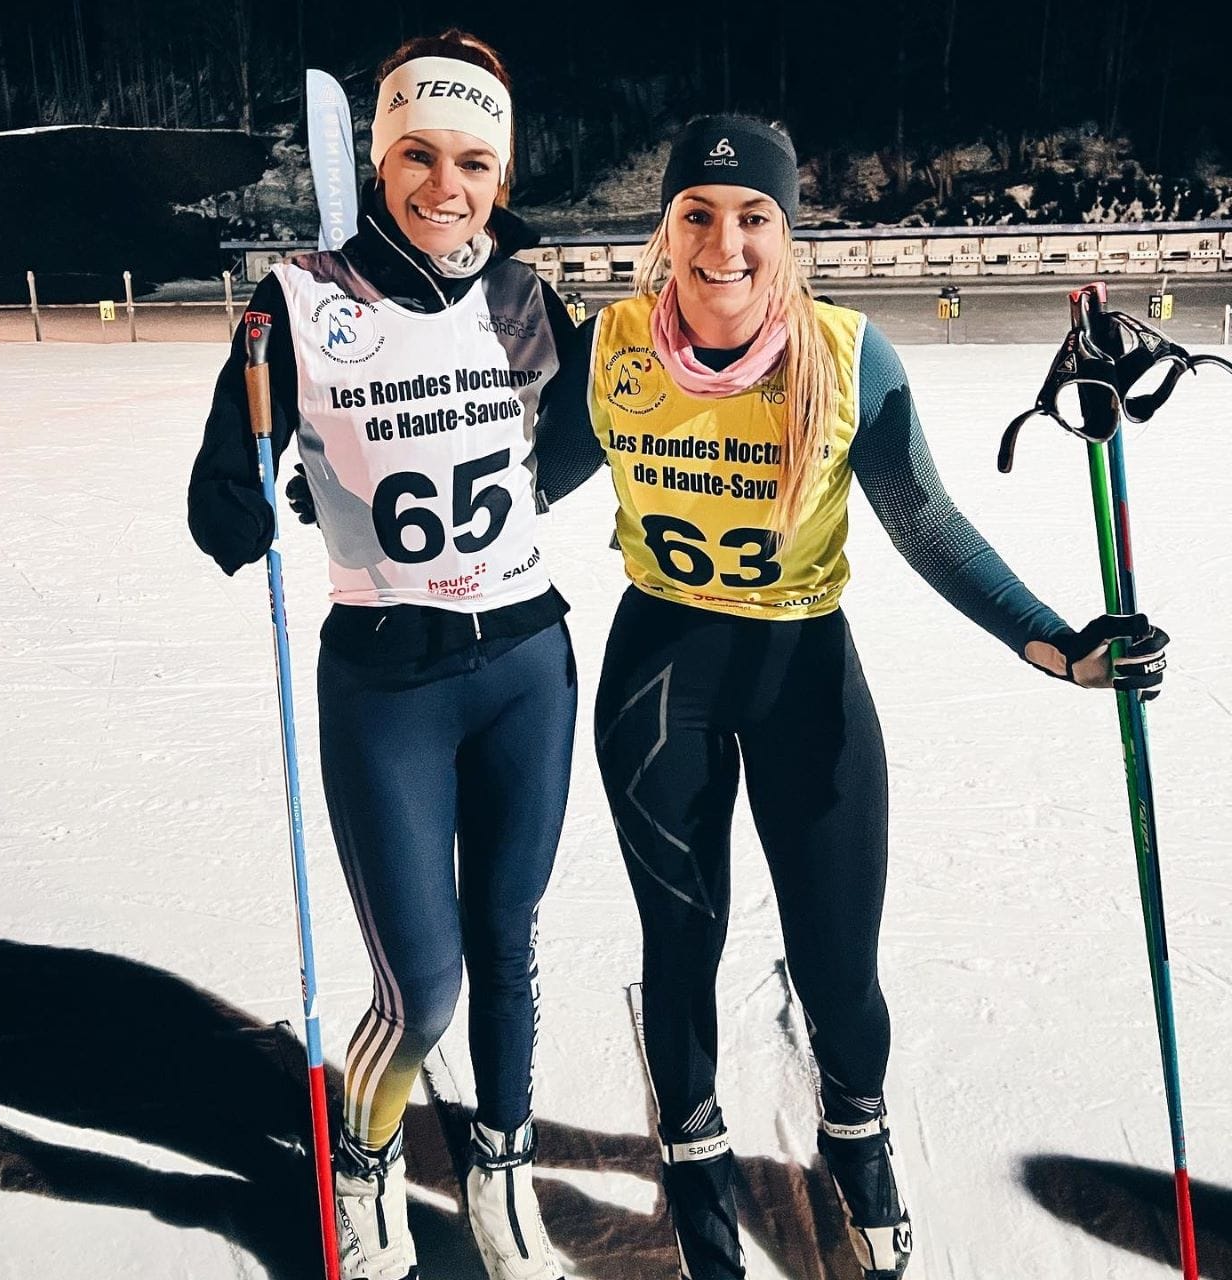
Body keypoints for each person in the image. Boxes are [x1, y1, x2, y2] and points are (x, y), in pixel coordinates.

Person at [535, 115, 1169, 1280]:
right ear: (664, 227)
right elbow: (513, 483)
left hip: (802, 676)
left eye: (752, 217)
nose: (723, 241)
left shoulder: (844, 352)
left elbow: (925, 521)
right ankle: (690, 1141)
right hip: (658, 675)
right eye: (696, 213)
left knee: (838, 958)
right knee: (681, 938)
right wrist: (370, 469)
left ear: (785, 232)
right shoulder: (608, 347)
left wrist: (1056, 645)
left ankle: (855, 1126)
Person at [187, 29, 579, 1280]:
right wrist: (251, 497)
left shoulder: (522, 295)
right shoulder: (297, 300)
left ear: (500, 175)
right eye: (416, 154)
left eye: (472, 161)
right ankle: (363, 1156)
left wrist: (501, 485)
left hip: (525, 656)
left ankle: (502, 1163)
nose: (444, 184)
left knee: (507, 942)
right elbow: (215, 501)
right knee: (420, 983)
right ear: (379, 155)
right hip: (385, 680)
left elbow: (568, 445)